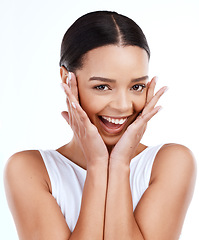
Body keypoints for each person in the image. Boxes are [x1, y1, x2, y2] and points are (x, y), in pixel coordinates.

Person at [4, 11, 196, 240]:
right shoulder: (30, 170)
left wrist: (119, 164)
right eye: (102, 87)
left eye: (136, 87)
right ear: (67, 79)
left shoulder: (171, 162)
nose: (124, 106)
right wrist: (97, 165)